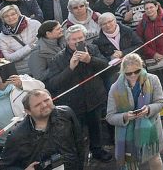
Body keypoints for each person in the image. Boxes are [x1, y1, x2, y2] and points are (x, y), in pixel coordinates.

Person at [44, 25, 112, 162]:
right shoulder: (58, 58)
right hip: (73, 103)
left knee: (96, 127)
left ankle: (97, 150)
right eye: (74, 39)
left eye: (80, 38)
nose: (77, 41)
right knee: (77, 133)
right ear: (67, 41)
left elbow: (106, 67)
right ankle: (79, 156)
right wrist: (70, 68)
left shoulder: (92, 49)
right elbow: (53, 84)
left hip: (94, 98)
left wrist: (90, 60)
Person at [0, 89, 87, 170]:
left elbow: (79, 142)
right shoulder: (17, 136)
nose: (44, 105)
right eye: (37, 105)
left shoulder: (66, 113)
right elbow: (4, 166)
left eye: (46, 100)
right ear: (28, 111)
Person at [105, 53, 163, 170]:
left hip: (150, 127)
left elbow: (160, 103)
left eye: (137, 71)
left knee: (154, 158)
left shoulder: (153, 80)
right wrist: (125, 116)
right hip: (128, 131)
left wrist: (148, 109)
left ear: (142, 67)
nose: (133, 75)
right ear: (123, 72)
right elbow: (110, 116)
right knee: (130, 163)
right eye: (128, 73)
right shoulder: (115, 88)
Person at [135, 0, 163, 106]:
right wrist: (153, 54)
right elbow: (140, 41)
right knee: (155, 80)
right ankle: (159, 99)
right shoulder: (142, 23)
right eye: (146, 8)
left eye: (151, 7)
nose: (149, 10)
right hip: (151, 57)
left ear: (157, 7)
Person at [0, 6, 39, 75]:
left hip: (40, 64)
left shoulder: (34, 24)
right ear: (2, 19)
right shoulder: (1, 38)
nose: (10, 18)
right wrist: (29, 47)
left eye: (13, 14)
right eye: (6, 16)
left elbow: (41, 43)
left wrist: (17, 53)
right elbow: (9, 58)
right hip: (22, 72)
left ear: (18, 14)